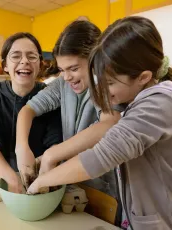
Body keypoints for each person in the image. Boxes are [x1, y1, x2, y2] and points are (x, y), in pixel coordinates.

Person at [27, 16, 172, 230]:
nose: (101, 90)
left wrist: (41, 181)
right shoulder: (138, 99)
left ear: (143, 77)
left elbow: (100, 157)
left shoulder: (158, 105)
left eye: (109, 82)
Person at [16, 20, 122, 197]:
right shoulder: (62, 84)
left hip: (101, 187)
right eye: (61, 70)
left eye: (73, 68)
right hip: (70, 182)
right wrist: (21, 148)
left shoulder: (107, 86)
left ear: (96, 60)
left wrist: (52, 155)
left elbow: (109, 123)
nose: (66, 77)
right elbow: (28, 110)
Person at [0, 32, 62, 193]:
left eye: (31, 56)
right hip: (3, 175)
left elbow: (55, 139)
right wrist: (12, 179)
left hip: (41, 177)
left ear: (40, 64)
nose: (24, 61)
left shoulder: (50, 96)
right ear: (5, 65)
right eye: (16, 56)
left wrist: (40, 178)